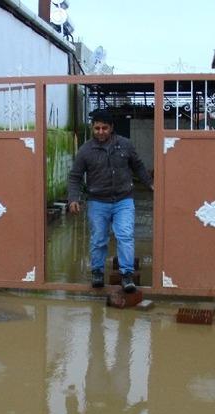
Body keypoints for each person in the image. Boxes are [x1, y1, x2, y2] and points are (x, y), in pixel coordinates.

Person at [67, 111, 153, 293]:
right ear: (92, 128)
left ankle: (127, 275)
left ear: (111, 128)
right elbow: (74, 177)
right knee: (99, 239)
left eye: (104, 128)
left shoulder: (125, 145)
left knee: (125, 235)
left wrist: (151, 184)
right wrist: (73, 198)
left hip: (124, 200)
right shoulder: (85, 150)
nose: (100, 131)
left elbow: (137, 166)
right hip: (98, 201)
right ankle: (97, 272)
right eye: (97, 128)